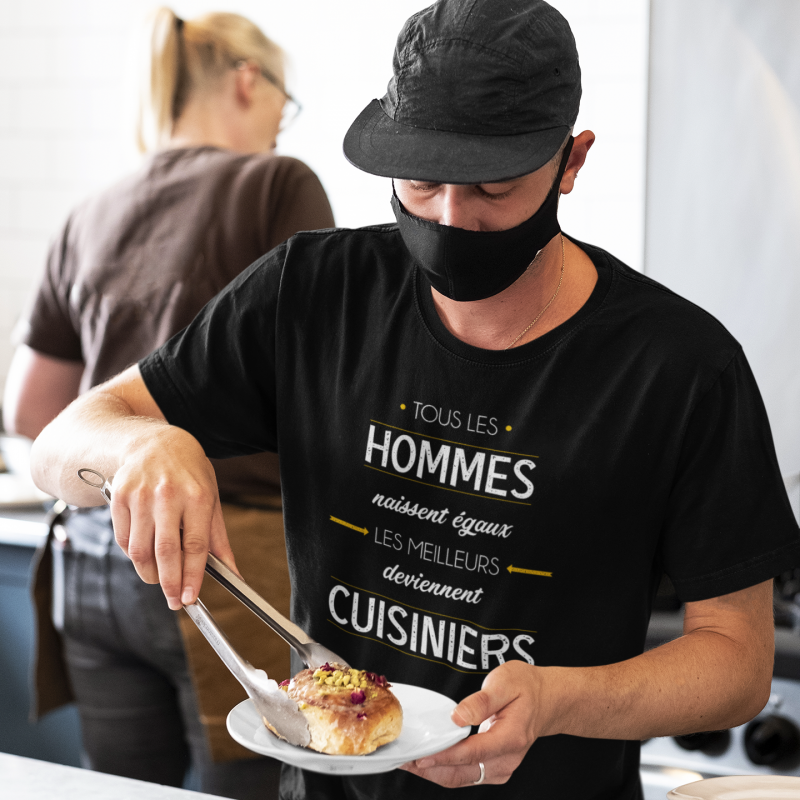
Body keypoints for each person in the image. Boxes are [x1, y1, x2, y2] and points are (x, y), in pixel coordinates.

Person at [26, 1, 800, 798]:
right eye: (423, 180)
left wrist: (562, 698)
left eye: (493, 188)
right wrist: (145, 444)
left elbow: (739, 662)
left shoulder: (679, 366)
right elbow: (60, 441)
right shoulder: (312, 294)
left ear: (571, 163)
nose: (451, 218)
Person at [3, 7, 333, 799]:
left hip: (91, 556)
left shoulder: (93, 210)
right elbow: (327, 391)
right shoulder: (276, 184)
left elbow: (30, 409)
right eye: (282, 112)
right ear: (248, 82)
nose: (281, 135)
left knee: (122, 792)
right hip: (227, 560)